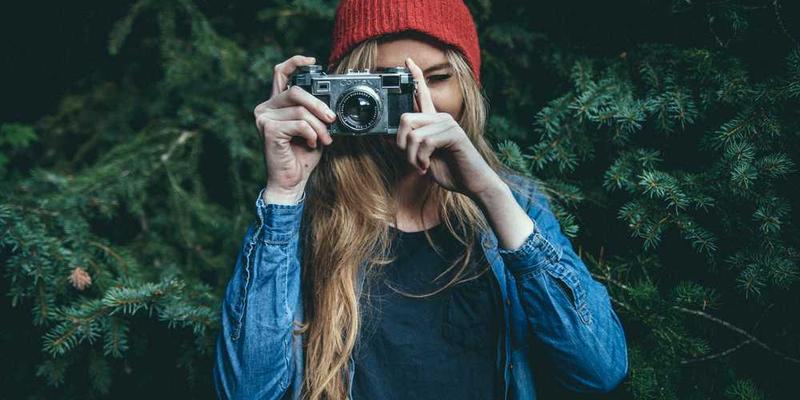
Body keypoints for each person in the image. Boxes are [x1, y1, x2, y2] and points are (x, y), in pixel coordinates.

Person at [212, 0, 628, 399]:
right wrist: (283, 194)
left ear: (467, 85)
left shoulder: (515, 204)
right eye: (385, 83)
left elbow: (599, 370)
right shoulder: (303, 214)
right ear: (339, 91)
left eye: (437, 78)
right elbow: (247, 391)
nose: (416, 103)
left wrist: (490, 193)